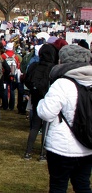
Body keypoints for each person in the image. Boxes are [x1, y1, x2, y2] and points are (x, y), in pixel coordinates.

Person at [37, 45, 92, 192]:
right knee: (83, 185)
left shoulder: (62, 83)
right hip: (87, 144)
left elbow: (46, 113)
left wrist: (41, 102)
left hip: (62, 146)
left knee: (58, 186)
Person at [23, 44, 58, 161]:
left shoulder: (34, 66)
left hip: (37, 98)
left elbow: (27, 80)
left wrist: (33, 90)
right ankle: (43, 153)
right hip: (49, 98)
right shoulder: (54, 68)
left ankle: (28, 152)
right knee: (46, 126)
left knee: (35, 126)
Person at [2, 42, 21, 111]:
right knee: (12, 90)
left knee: (5, 90)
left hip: (5, 75)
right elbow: (18, 65)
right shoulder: (15, 56)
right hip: (13, 74)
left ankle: (5, 105)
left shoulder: (3, 56)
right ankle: (12, 106)